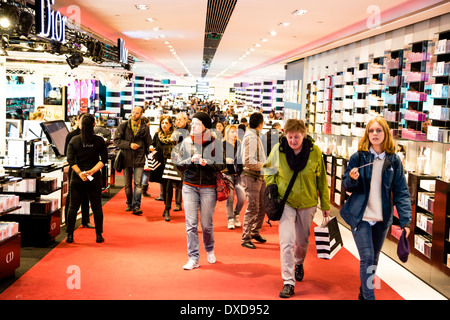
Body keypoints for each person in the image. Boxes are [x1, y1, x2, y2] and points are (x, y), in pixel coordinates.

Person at [340, 117, 411, 300]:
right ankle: (369, 297)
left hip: (381, 219)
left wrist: (405, 221)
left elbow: (401, 191)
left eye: (379, 130)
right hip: (360, 216)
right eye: (371, 131)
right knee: (367, 258)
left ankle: (364, 293)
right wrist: (352, 179)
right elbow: (346, 185)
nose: (375, 134)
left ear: (386, 133)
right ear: (367, 134)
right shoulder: (359, 157)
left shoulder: (393, 161)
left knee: (374, 260)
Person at [264, 119, 330, 298]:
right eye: (290, 137)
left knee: (301, 242)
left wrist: (325, 205)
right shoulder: (279, 150)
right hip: (286, 203)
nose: (293, 140)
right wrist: (273, 188)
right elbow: (268, 170)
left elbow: (322, 180)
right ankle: (288, 282)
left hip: (308, 203)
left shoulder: (314, 151)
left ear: (304, 134)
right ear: (285, 135)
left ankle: (298, 262)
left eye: (297, 137)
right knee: (286, 242)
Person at [175, 112, 225, 270]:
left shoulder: (216, 143)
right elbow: (178, 164)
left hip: (208, 188)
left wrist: (207, 163)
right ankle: (193, 257)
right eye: (193, 123)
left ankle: (209, 248)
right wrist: (190, 161)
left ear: (205, 125)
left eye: (197, 123)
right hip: (189, 185)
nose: (193, 126)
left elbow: (221, 165)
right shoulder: (186, 142)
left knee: (206, 224)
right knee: (191, 224)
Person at [66, 114, 108, 243]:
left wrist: (80, 173)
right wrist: (92, 171)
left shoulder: (74, 140)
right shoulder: (99, 141)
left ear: (81, 124)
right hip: (94, 178)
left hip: (78, 178)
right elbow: (104, 160)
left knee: (73, 207)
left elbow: (70, 160)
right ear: (94, 125)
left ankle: (70, 236)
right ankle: (99, 235)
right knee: (97, 207)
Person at [113, 106, 152, 215]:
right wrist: (129, 145)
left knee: (138, 184)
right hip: (126, 158)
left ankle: (136, 206)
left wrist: (150, 148)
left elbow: (149, 142)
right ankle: (129, 203)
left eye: (137, 113)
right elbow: (116, 141)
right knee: (127, 185)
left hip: (139, 158)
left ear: (141, 115)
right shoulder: (123, 126)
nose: (134, 114)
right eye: (133, 112)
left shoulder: (144, 127)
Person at [240, 112, 267, 249]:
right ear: (260, 124)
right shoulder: (251, 137)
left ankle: (255, 232)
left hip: (258, 176)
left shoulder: (254, 135)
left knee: (261, 206)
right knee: (253, 207)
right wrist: (265, 166)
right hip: (252, 176)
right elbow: (248, 161)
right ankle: (246, 237)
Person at [64, 113, 92, 228]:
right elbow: (67, 154)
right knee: (71, 198)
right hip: (75, 170)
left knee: (86, 196)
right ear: (78, 121)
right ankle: (68, 222)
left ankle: (86, 220)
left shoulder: (92, 136)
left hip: (89, 170)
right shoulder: (71, 136)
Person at [222, 124, 245, 230]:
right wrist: (226, 160)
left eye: (236, 132)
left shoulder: (240, 144)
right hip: (227, 174)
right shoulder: (222, 144)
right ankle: (230, 218)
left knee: (242, 198)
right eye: (232, 132)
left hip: (238, 174)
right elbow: (218, 159)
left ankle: (236, 214)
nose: (235, 134)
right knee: (230, 197)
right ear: (227, 133)